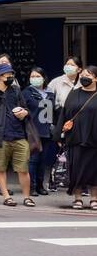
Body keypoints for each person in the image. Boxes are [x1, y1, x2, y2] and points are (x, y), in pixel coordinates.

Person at [0, 56, 38, 207]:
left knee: (23, 169)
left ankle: (27, 197)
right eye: (7, 75)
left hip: (19, 136)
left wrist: (24, 113)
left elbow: (27, 110)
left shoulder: (16, 91)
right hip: (0, 138)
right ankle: (6, 197)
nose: (10, 77)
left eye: (12, 74)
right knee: (1, 168)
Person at [58, 65, 97, 210]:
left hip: (94, 139)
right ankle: (78, 198)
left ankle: (94, 199)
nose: (85, 77)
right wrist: (59, 136)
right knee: (77, 169)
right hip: (75, 138)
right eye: (84, 74)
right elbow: (64, 114)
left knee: (94, 170)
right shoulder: (74, 94)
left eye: (89, 75)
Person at [26, 67, 56, 197]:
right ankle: (31, 186)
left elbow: (54, 112)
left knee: (43, 160)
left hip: (47, 131)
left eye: (37, 76)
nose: (34, 78)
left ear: (43, 78)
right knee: (33, 160)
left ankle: (40, 185)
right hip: (33, 131)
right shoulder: (27, 92)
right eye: (32, 76)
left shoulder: (50, 93)